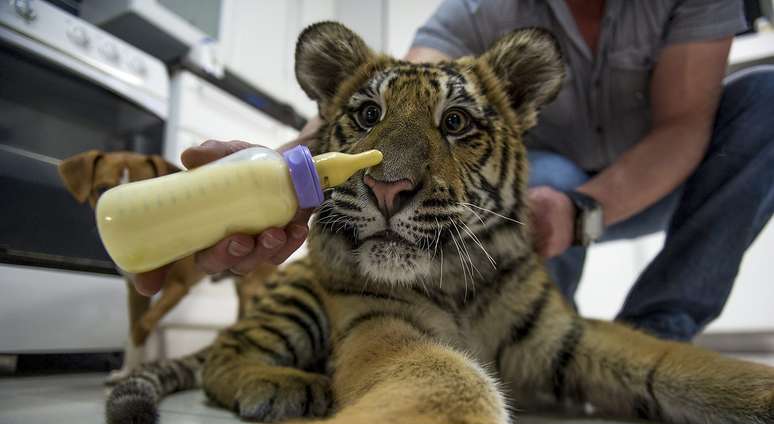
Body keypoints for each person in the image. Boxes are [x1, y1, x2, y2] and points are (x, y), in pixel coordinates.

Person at [134, 0, 774, 342]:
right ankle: (544, 343)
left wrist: (583, 209)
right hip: (542, 190)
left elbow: (684, 126)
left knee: (766, 101)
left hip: (667, 180)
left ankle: (660, 328)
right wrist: (279, 174)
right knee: (539, 176)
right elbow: (390, 103)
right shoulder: (478, 11)